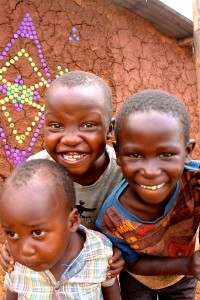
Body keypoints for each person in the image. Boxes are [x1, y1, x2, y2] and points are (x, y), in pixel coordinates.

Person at [0, 70, 124, 276]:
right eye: (56, 126)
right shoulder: (34, 174)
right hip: (52, 270)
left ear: (110, 129)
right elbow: (21, 224)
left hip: (97, 272)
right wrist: (11, 246)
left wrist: (121, 251)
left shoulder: (124, 174)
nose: (70, 140)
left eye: (88, 125)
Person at [96, 89, 200, 300]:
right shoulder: (113, 217)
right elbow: (133, 263)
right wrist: (188, 264)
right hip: (138, 280)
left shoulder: (195, 182)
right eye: (135, 155)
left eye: (166, 154)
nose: (151, 171)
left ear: (187, 152)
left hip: (183, 278)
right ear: (117, 153)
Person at [0, 159, 121, 299]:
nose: (25, 250)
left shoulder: (100, 251)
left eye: (38, 232)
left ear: (72, 221)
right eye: (12, 234)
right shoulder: (14, 261)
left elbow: (112, 294)